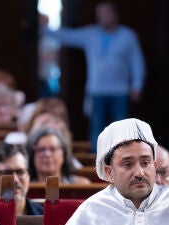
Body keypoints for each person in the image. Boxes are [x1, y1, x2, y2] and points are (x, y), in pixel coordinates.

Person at [42, 1, 145, 152]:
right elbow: (66, 36)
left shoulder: (128, 36)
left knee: (122, 131)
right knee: (97, 130)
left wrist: (137, 85)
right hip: (96, 90)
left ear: (115, 15)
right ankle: (97, 166)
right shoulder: (91, 34)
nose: (102, 17)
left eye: (106, 13)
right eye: (100, 14)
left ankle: (122, 162)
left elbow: (137, 62)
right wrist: (42, 27)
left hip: (120, 91)